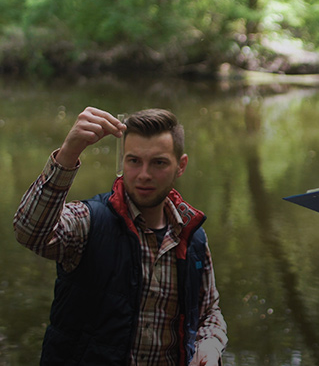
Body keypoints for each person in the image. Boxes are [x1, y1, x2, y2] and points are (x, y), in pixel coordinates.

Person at [14, 107, 228, 365]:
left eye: (158, 162)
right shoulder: (90, 222)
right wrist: (69, 152)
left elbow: (208, 313)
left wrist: (209, 345)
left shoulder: (193, 237)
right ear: (122, 162)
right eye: (134, 161)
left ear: (180, 166)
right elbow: (30, 233)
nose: (144, 174)